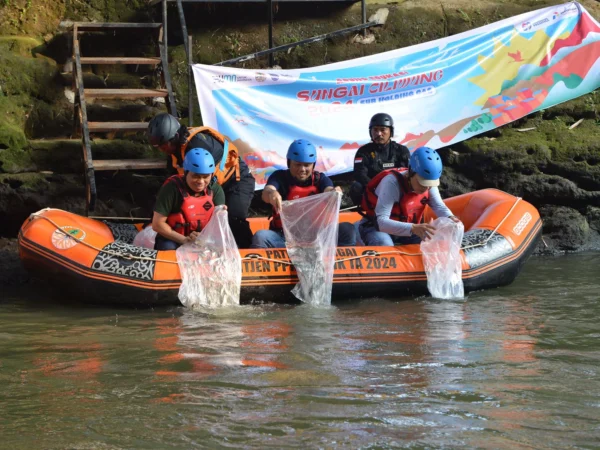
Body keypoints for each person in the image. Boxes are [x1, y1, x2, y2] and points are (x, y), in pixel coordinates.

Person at [147, 113, 255, 248]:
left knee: (234, 218)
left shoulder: (198, 148)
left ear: (174, 138)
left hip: (236, 179)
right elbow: (171, 184)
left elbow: (203, 182)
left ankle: (247, 252)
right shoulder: (176, 152)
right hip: (213, 182)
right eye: (159, 147)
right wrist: (157, 212)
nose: (162, 150)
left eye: (163, 146)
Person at [251, 139, 356, 249]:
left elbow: (328, 189)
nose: (302, 169)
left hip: (316, 237)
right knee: (261, 236)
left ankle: (339, 264)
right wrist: (272, 194)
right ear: (289, 163)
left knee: (347, 230)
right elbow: (267, 191)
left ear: (313, 165)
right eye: (297, 164)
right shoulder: (279, 177)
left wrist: (334, 192)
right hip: (284, 238)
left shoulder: (320, 179)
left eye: (307, 165)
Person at [358, 146, 460, 246]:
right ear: (411, 172)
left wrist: (451, 217)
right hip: (376, 228)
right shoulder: (391, 183)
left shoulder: (429, 184)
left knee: (435, 243)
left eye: (430, 184)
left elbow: (439, 206)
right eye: (422, 183)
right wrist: (413, 228)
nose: (427, 188)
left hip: (407, 229)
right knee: (384, 243)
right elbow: (381, 222)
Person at [152, 149, 225, 250]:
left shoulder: (215, 190)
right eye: (195, 176)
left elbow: (219, 226)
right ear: (186, 173)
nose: (201, 181)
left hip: (205, 239)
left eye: (205, 177)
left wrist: (203, 238)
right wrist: (185, 240)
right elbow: (157, 224)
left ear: (211, 175)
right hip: (174, 238)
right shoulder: (172, 189)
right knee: (168, 247)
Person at [349, 113, 411, 206]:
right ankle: (368, 212)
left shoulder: (401, 150)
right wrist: (379, 188)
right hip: (373, 191)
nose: (379, 134)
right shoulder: (363, 151)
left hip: (397, 190)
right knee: (356, 186)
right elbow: (360, 174)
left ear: (391, 131)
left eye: (383, 130)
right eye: (375, 130)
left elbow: (407, 173)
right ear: (370, 132)